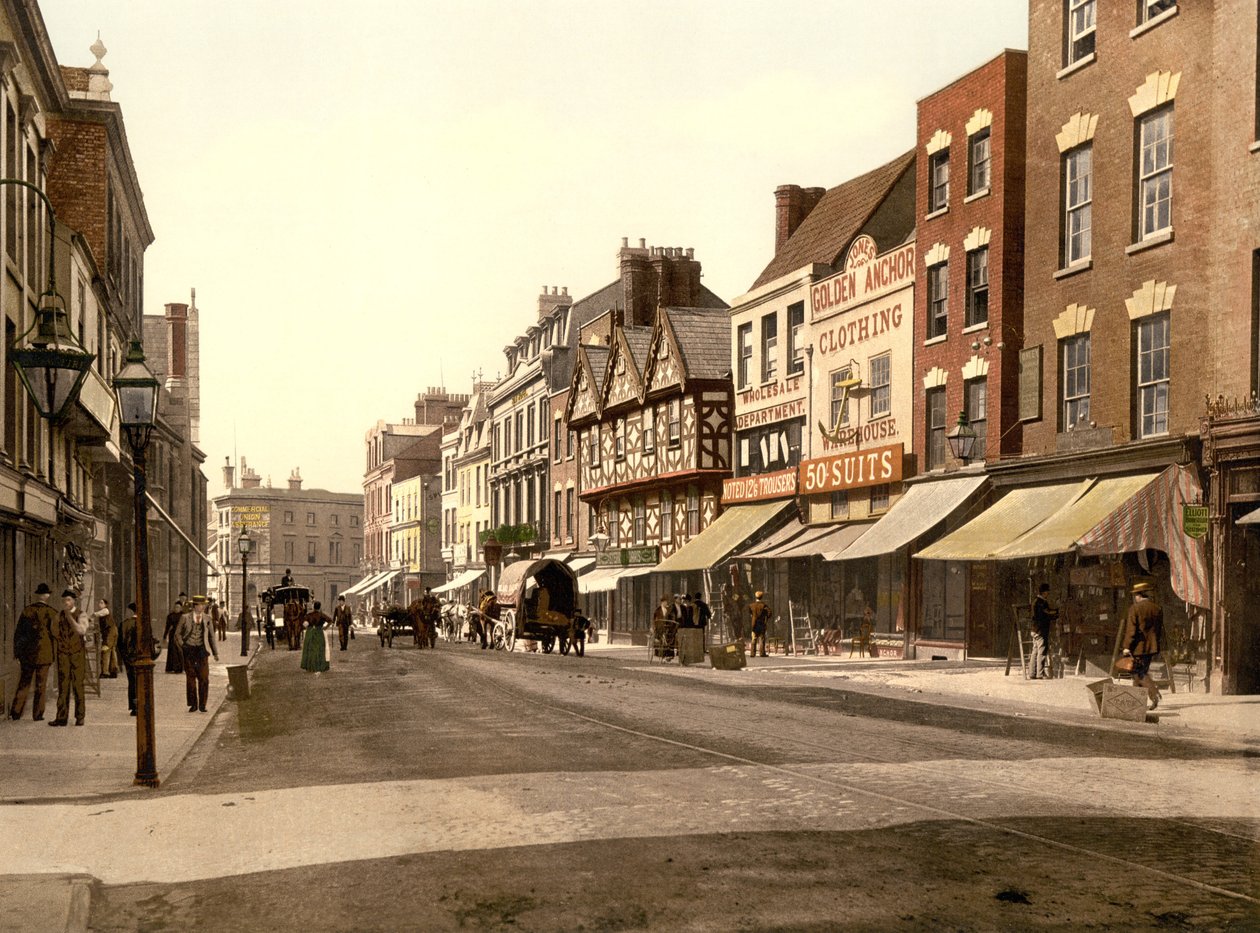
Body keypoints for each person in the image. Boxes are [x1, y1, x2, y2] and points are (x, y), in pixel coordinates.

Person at [9, 583, 57, 721]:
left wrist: (17, 653)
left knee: (24, 682)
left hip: (27, 653)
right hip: (45, 654)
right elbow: (56, 634)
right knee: (41, 685)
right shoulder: (52, 612)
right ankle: (37, 715)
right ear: (47, 596)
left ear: (37, 595)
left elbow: (19, 634)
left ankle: (16, 712)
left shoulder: (27, 611)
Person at [1122, 580, 1164, 710]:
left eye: (1135, 595)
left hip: (1138, 648)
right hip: (1151, 647)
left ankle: (1154, 694)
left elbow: (1131, 630)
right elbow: (1158, 629)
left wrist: (1127, 646)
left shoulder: (1134, 608)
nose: (1135, 597)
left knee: (1139, 673)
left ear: (1139, 595)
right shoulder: (1157, 608)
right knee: (1139, 674)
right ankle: (1137, 702)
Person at [51, 589, 88, 726]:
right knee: (63, 686)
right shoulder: (58, 615)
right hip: (63, 654)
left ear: (74, 601)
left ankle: (80, 717)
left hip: (77, 654)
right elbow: (54, 630)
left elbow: (81, 630)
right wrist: (61, 642)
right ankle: (61, 718)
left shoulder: (81, 614)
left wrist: (69, 617)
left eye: (68, 600)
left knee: (78, 685)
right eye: (64, 600)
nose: (66, 603)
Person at [176, 595, 219, 713]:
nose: (204, 606)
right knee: (190, 679)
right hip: (189, 650)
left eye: (204, 605)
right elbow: (177, 634)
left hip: (201, 651)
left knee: (204, 678)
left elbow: (211, 637)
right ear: (195, 606)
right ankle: (193, 704)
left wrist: (215, 653)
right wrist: (183, 646)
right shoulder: (185, 617)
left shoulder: (207, 618)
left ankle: (202, 704)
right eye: (201, 605)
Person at [118, 601, 155, 716]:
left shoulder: (124, 624)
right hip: (141, 657)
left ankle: (134, 707)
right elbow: (150, 643)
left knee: (132, 681)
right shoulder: (144, 624)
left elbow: (119, 644)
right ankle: (142, 705)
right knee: (142, 681)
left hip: (128, 658)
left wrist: (124, 657)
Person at [1030, 583, 1058, 680]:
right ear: (1044, 592)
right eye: (1047, 592)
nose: (1048, 594)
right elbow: (1046, 613)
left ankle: (1032, 673)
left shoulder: (1035, 601)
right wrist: (1056, 612)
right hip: (1041, 630)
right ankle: (1040, 674)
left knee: (1035, 651)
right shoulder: (1042, 602)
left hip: (1034, 629)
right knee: (1041, 652)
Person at [301, 601, 332, 672]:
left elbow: (304, 624)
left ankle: (310, 666)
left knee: (310, 649)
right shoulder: (321, 615)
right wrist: (325, 627)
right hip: (319, 632)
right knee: (319, 649)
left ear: (313, 607)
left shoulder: (309, 615)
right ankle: (320, 666)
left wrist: (308, 627)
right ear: (320, 607)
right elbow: (330, 620)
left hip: (310, 632)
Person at [95, 598, 118, 678]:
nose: (99, 604)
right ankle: (113, 671)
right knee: (111, 651)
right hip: (110, 632)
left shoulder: (105, 611)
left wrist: (89, 617)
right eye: (99, 602)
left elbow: (97, 614)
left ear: (105, 605)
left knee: (105, 650)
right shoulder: (104, 613)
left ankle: (105, 672)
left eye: (101, 603)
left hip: (110, 633)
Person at [163, 594, 186, 673]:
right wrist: (164, 636)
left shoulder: (183, 616)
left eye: (178, 607)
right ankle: (171, 667)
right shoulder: (170, 616)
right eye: (175, 607)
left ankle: (180, 668)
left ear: (180, 608)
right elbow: (167, 626)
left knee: (180, 651)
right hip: (172, 635)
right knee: (172, 651)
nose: (177, 609)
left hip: (180, 635)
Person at [652, 594, 678, 659]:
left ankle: (669, 654)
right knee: (661, 638)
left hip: (668, 628)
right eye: (665, 602)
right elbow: (655, 620)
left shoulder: (669, 609)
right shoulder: (658, 610)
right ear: (662, 602)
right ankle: (661, 653)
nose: (666, 603)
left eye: (666, 601)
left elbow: (673, 618)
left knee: (671, 636)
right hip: (660, 628)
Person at [748, 590, 772, 657]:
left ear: (755, 597)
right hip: (761, 623)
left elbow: (749, 612)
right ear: (762, 597)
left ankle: (752, 653)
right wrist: (766, 617)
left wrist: (752, 616)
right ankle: (762, 653)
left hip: (754, 624)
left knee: (754, 638)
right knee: (762, 638)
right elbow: (769, 612)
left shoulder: (751, 605)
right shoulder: (763, 605)